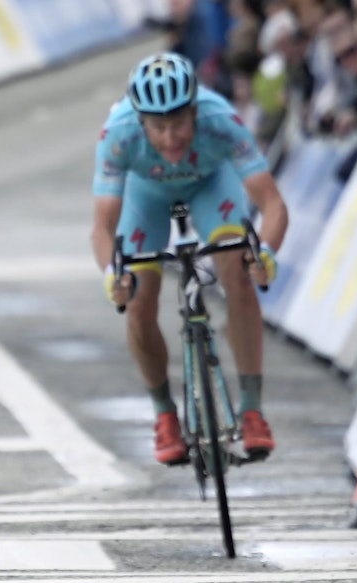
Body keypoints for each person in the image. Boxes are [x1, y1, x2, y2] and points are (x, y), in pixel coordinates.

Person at [90, 53, 289, 465]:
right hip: (147, 195)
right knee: (139, 300)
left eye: (179, 124)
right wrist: (113, 275)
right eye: (158, 128)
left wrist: (265, 253)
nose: (170, 139)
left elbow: (272, 204)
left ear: (196, 111)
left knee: (238, 268)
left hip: (211, 186)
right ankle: (165, 415)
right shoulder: (119, 133)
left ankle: (252, 410)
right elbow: (102, 229)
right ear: (140, 121)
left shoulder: (221, 119)